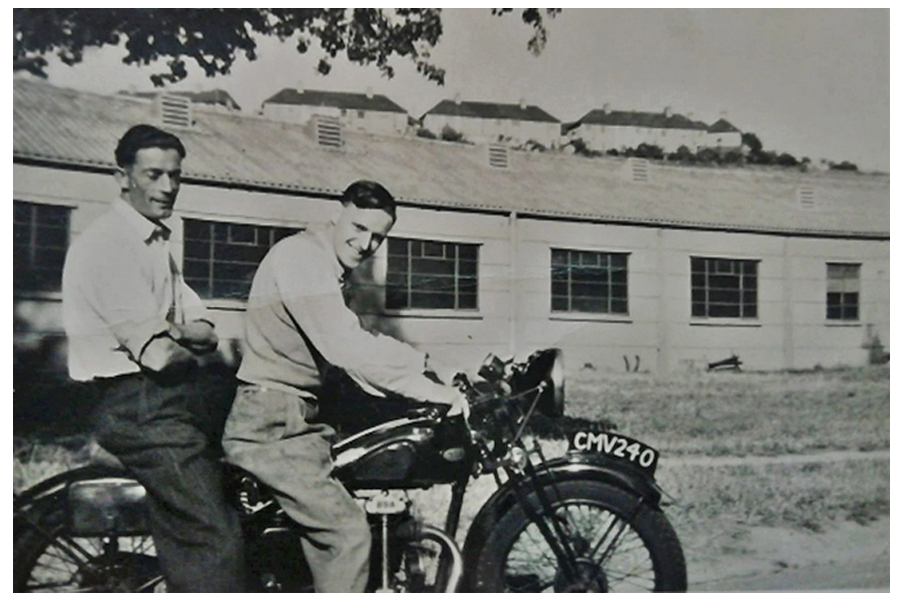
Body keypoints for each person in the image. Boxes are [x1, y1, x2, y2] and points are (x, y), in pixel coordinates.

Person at [222, 180, 468, 593]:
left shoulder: (324, 264)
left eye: (378, 236)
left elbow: (359, 336)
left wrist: (425, 364)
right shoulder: (302, 258)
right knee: (348, 538)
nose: (366, 242)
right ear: (337, 212)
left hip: (294, 420)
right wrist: (434, 392)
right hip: (273, 424)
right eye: (358, 227)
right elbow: (348, 351)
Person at [62, 124, 245, 592]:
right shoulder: (108, 245)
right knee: (214, 536)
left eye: (175, 176)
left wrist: (176, 330)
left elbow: (205, 331)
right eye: (154, 175)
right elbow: (161, 357)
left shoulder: (154, 243)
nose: (167, 187)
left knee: (241, 496)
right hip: (137, 406)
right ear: (123, 177)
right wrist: (182, 340)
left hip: (166, 401)